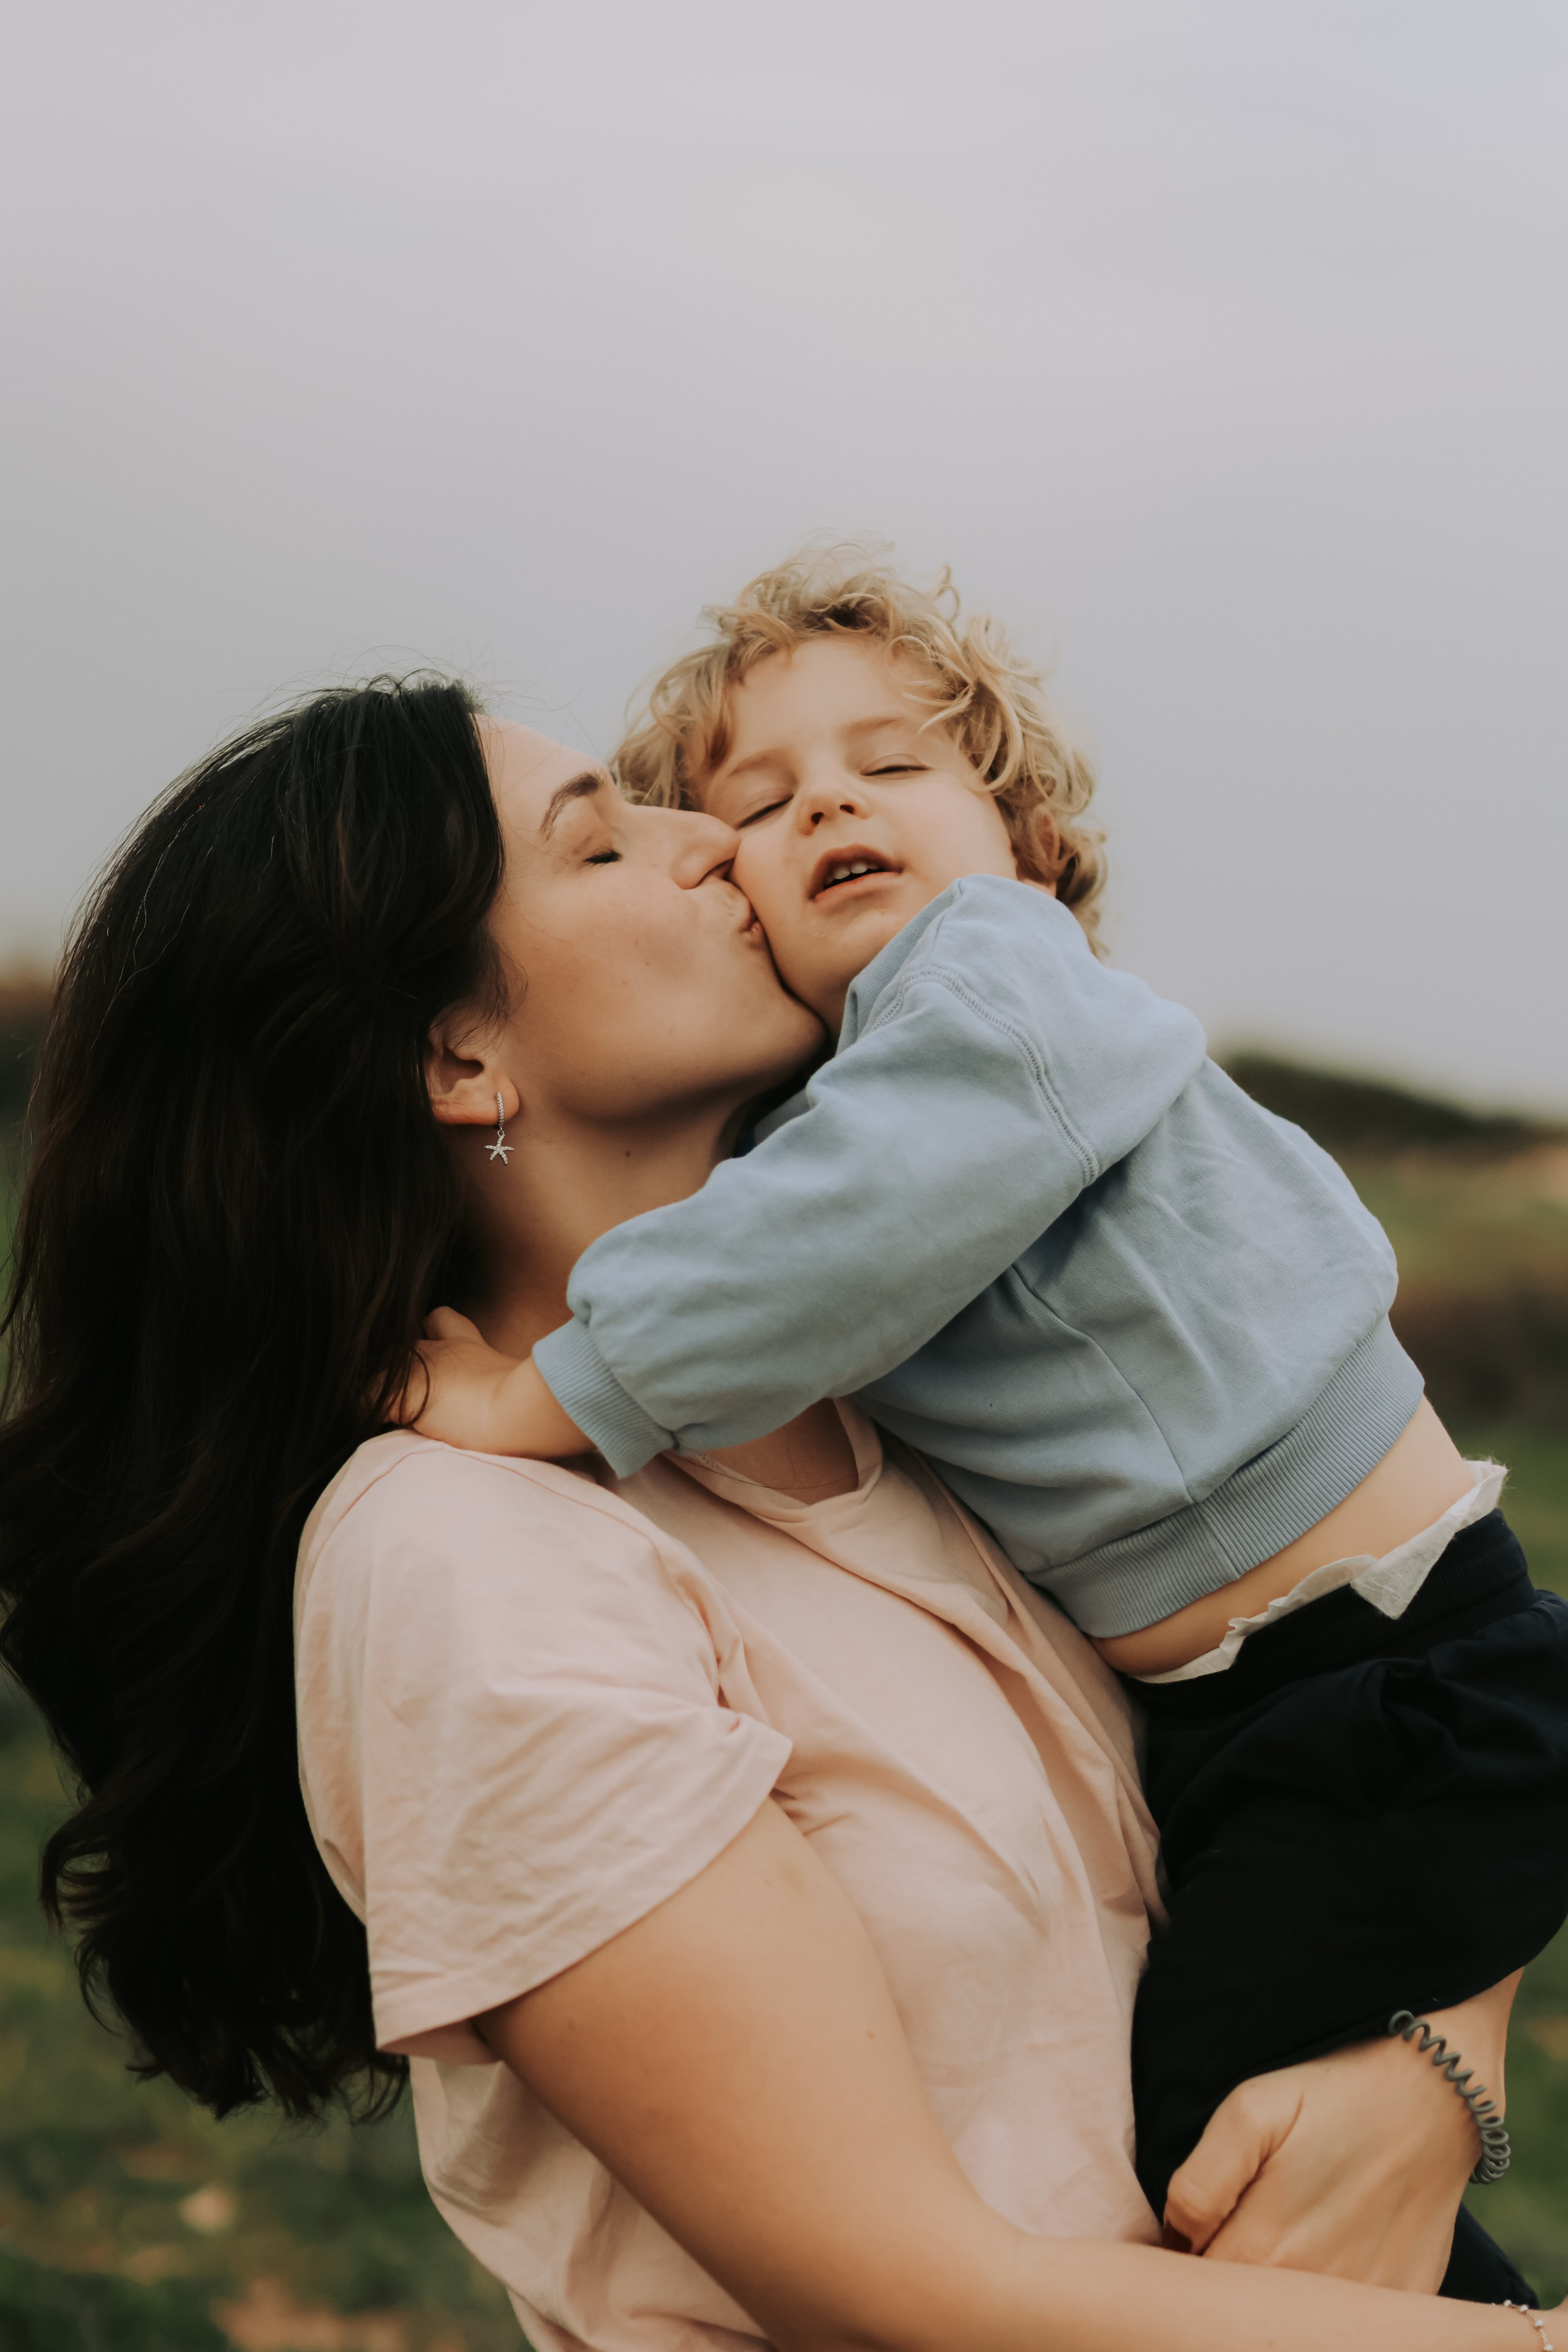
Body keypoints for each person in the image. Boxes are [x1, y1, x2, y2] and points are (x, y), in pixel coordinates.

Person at [0, 677, 1556, 2352]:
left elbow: (1372, 1697)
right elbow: (908, 2294)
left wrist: (1435, 2066)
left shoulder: (910, 1404)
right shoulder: (471, 1561)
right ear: (458, 1055)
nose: (717, 847)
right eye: (604, 841)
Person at [405, 554, 1568, 2304]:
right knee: (1251, 2145)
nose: (832, 807)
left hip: (1376, 1671)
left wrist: (540, 1390)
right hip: (1294, 1695)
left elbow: (848, 1219)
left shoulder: (995, 994)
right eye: (759, 805)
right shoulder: (843, 1131)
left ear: (1026, 844)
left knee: (1220, 2154)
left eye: (892, 766)